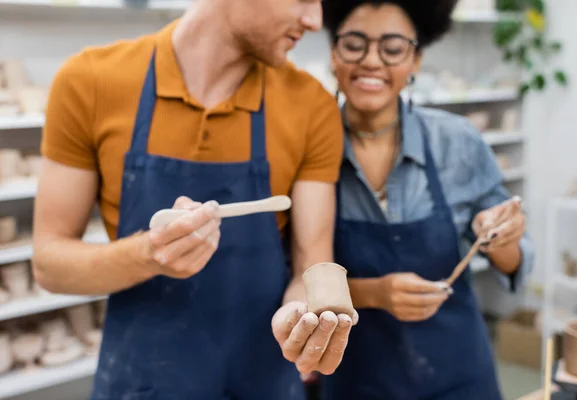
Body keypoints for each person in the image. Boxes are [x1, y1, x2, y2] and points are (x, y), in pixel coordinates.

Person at [31, 0, 358, 398]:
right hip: (143, 382)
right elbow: (49, 264)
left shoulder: (312, 105)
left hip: (263, 379)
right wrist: (147, 254)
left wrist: (303, 316)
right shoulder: (90, 81)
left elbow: (311, 263)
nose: (314, 20)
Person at [319, 0, 535, 399]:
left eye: (393, 48)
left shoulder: (458, 142)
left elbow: (516, 262)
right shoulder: (311, 148)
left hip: (459, 375)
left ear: (416, 59)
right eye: (354, 44)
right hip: (359, 378)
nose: (371, 60)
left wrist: (504, 241)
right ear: (333, 53)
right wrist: (374, 293)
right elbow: (292, 275)